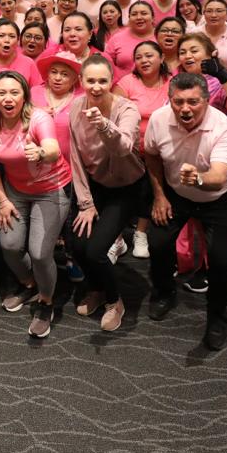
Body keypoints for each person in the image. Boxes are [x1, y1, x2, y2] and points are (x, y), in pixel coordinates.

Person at [143, 72, 227, 351]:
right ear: (170, 101)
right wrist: (159, 195)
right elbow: (151, 155)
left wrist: (198, 178)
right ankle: (164, 292)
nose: (185, 109)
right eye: (179, 102)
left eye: (193, 102)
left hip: (220, 199)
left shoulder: (224, 127)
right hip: (176, 193)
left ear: (207, 101)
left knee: (220, 262)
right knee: (157, 243)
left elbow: (218, 177)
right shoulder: (159, 119)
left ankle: (217, 317)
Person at [0, 70, 72, 338]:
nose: (8, 98)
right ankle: (30, 283)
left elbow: (53, 149)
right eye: (1, 93)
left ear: (24, 96)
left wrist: (42, 152)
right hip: (16, 191)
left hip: (52, 189)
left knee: (40, 253)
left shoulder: (38, 118)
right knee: (9, 246)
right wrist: (2, 199)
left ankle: (46, 301)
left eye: (14, 92)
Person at [67, 56, 143, 331]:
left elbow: (123, 147)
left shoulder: (127, 109)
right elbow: (75, 157)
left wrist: (103, 124)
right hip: (96, 185)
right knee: (76, 244)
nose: (96, 87)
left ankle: (114, 301)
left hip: (127, 187)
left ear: (112, 81)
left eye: (102, 81)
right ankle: (96, 289)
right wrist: (85, 203)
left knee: (96, 250)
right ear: (81, 81)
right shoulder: (76, 107)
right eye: (90, 81)